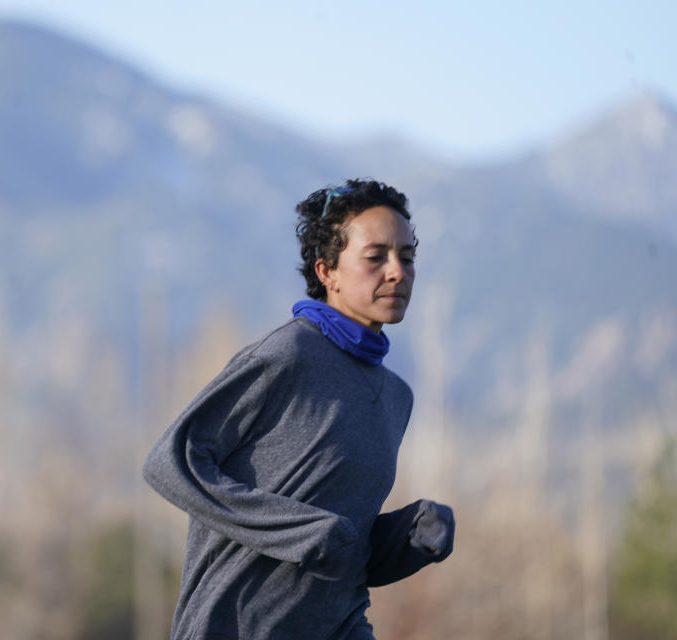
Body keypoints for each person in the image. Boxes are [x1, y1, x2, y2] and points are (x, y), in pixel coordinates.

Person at [142, 178, 455, 640]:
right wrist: (307, 532)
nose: (397, 272)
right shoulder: (285, 356)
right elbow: (170, 463)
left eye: (406, 258)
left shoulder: (395, 397)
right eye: (376, 257)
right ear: (326, 271)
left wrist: (411, 538)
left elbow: (343, 549)